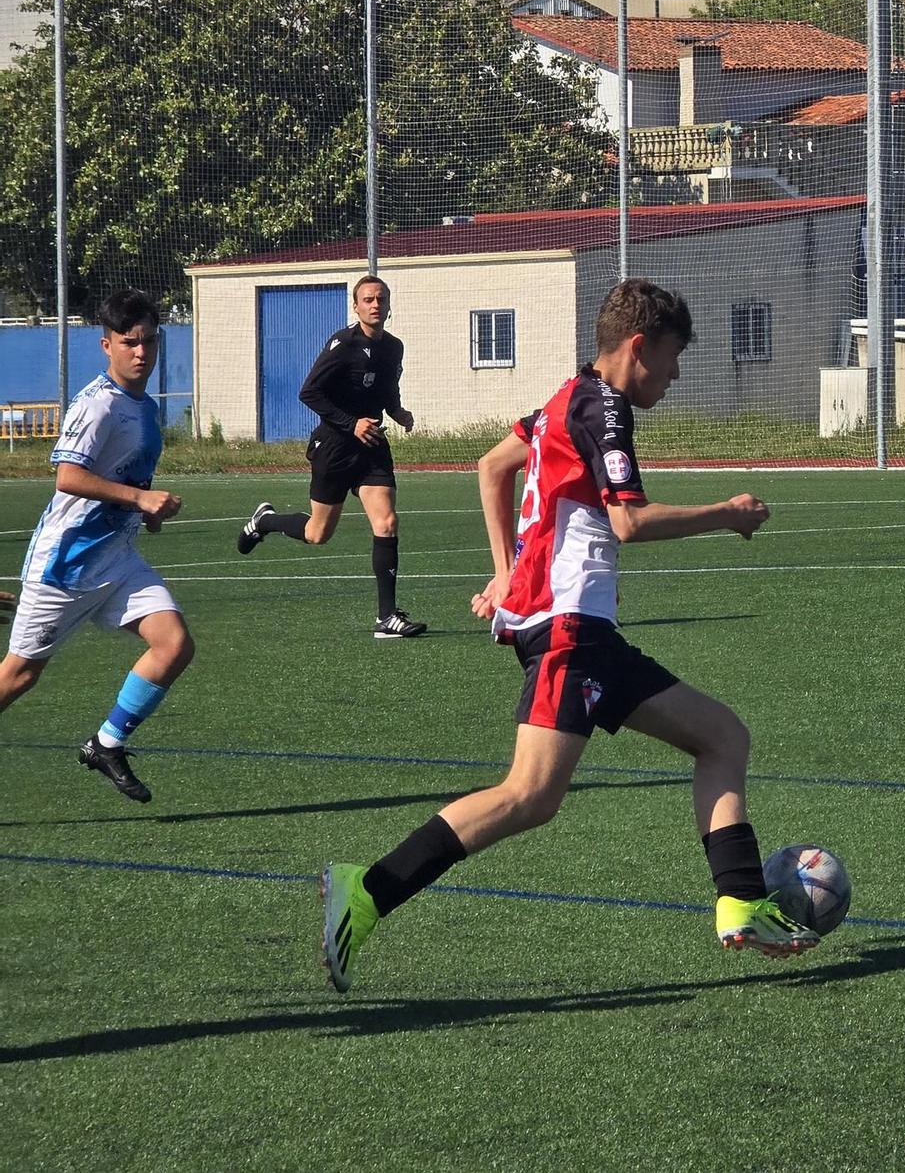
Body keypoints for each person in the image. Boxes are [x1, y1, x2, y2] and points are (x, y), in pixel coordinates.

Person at [318, 279, 817, 993]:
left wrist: (507, 576)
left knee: (722, 737)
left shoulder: (566, 397)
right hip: (569, 630)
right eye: (672, 359)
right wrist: (726, 513)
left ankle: (739, 902)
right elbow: (629, 523)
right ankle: (365, 892)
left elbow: (492, 467)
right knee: (530, 794)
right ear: (638, 347)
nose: (675, 376)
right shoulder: (603, 407)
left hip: (578, 626)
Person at [0, 290, 194, 803]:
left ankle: (106, 744)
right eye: (130, 342)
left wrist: (146, 510)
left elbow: (132, 481)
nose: (141, 352)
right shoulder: (97, 404)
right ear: (106, 345)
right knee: (17, 677)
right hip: (68, 564)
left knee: (174, 644)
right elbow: (67, 476)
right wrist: (138, 497)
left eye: (149, 341)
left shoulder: (146, 409)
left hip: (117, 559)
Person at [236, 274, 424, 637]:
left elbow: (387, 387)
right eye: (367, 299)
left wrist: (397, 411)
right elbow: (309, 392)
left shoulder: (394, 347)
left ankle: (386, 617)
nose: (375, 304)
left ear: (388, 304)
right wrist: (350, 423)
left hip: (371, 447)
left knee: (386, 523)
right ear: (356, 306)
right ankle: (265, 522)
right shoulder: (342, 344)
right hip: (335, 447)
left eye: (380, 298)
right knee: (317, 533)